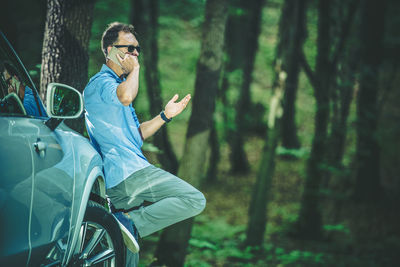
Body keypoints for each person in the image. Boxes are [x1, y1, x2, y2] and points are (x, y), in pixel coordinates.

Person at [83, 22, 206, 265]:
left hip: (121, 183)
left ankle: (125, 225)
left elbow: (135, 135)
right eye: (129, 49)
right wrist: (136, 69)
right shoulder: (101, 84)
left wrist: (164, 116)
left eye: (137, 49)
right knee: (194, 199)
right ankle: (131, 222)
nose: (135, 54)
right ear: (109, 50)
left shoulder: (116, 87)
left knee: (126, 256)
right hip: (129, 174)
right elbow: (127, 96)